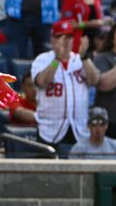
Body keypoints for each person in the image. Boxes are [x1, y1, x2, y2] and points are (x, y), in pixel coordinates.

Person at [32, 19, 100, 149]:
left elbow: (95, 80)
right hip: (50, 130)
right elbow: (42, 82)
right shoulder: (42, 59)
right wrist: (57, 58)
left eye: (69, 36)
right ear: (52, 39)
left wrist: (84, 57)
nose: (65, 40)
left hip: (78, 130)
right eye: (60, 36)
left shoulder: (80, 60)